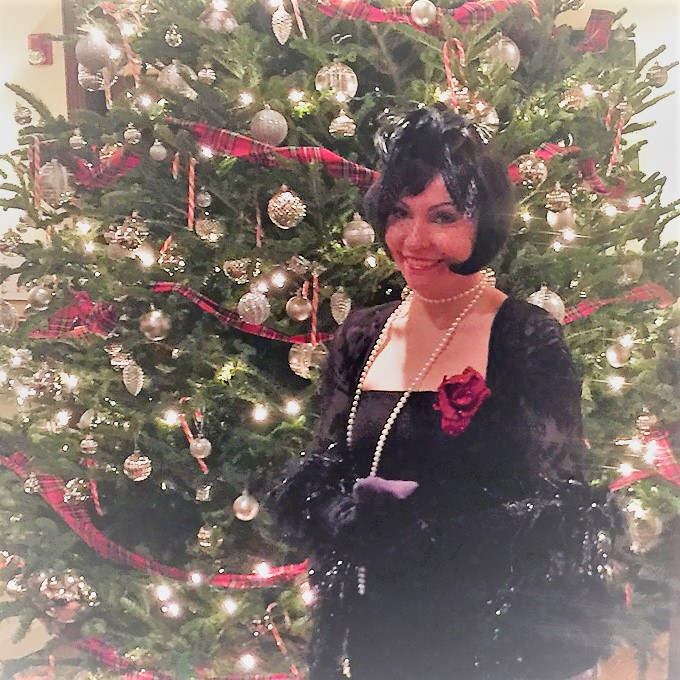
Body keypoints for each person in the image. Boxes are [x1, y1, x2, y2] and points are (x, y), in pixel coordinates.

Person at [269, 104, 622, 680]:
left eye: (443, 217)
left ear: (482, 223)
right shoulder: (362, 333)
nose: (413, 240)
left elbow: (559, 506)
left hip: (486, 638)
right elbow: (325, 464)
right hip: (377, 625)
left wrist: (432, 536)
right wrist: (342, 517)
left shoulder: (524, 337)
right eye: (400, 213)